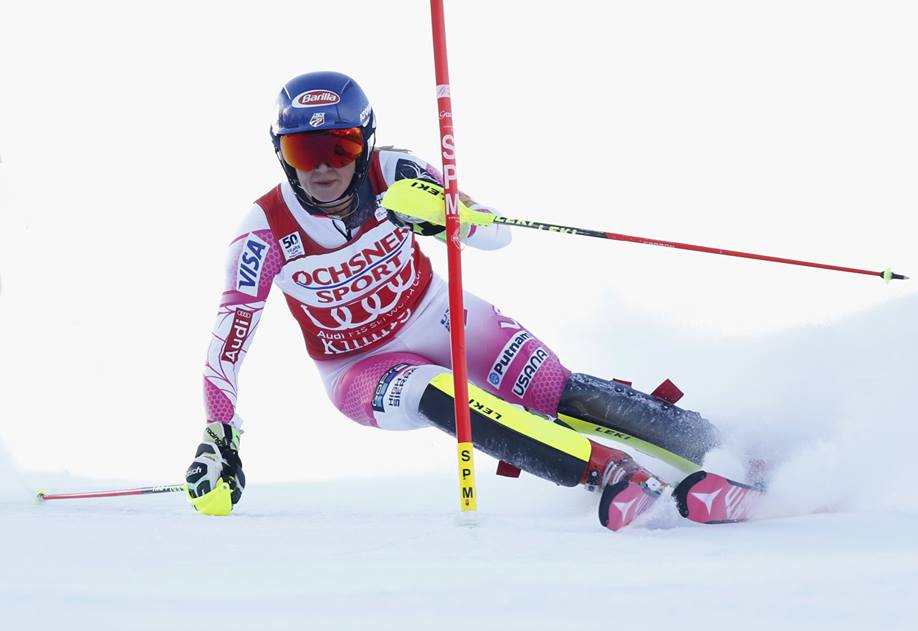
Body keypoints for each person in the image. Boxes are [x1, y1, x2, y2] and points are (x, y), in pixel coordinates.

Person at [184, 71, 721, 531]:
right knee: (435, 391)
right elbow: (227, 346)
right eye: (304, 151)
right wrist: (219, 434)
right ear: (281, 154)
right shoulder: (263, 232)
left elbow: (498, 234)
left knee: (549, 388)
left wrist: (447, 221)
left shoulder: (396, 173)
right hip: (358, 367)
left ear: (365, 143)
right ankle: (611, 472)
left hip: (436, 315)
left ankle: (721, 446)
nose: (323, 168)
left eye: (340, 147)